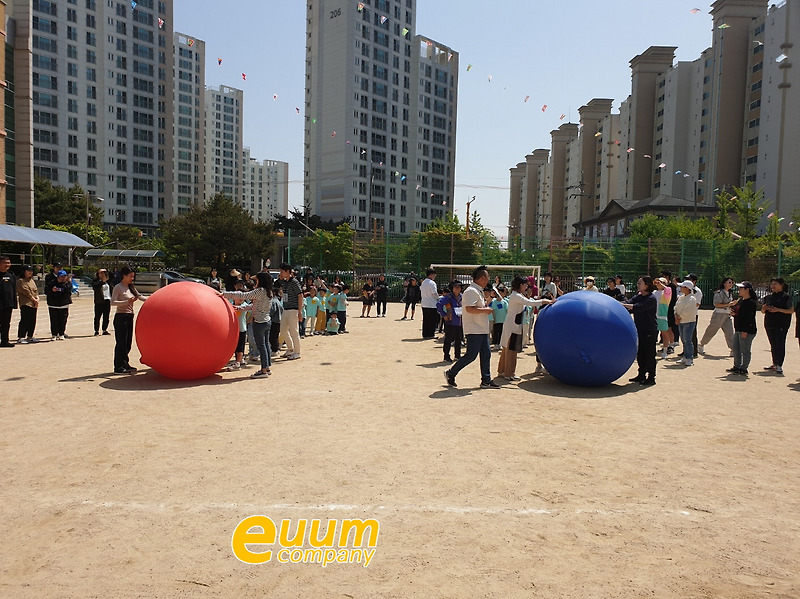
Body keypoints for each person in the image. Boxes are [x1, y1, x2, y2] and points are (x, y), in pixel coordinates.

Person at [444, 266, 500, 388]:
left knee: (486, 354)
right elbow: (469, 308)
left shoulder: (477, 290)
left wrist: (489, 300)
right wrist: (485, 310)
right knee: (471, 355)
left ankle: (486, 379)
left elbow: (480, 305)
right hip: (474, 329)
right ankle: (451, 373)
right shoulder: (471, 291)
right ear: (482, 278)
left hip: (481, 328)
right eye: (487, 278)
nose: (488, 280)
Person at [498, 276, 552, 381]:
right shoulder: (516, 296)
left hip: (515, 325)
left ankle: (503, 371)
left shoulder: (518, 295)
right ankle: (508, 373)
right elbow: (530, 303)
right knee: (510, 350)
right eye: (525, 285)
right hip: (512, 326)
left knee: (509, 349)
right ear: (521, 285)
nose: (527, 286)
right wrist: (544, 301)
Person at [222, 272, 273, 378]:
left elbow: (243, 295)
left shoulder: (259, 291)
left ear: (260, 281)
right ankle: (267, 368)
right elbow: (255, 305)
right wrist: (241, 308)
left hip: (259, 322)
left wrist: (225, 294)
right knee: (266, 345)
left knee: (261, 346)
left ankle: (263, 370)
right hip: (267, 321)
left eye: (257, 280)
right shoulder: (269, 292)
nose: (255, 282)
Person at [622, 276, 658, 385]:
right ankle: (641, 374)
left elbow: (638, 307)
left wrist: (624, 304)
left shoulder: (651, 298)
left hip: (649, 330)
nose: (638, 284)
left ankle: (651, 377)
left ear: (647, 285)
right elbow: (629, 303)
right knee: (641, 353)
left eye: (640, 283)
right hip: (639, 329)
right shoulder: (639, 296)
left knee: (649, 354)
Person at [110, 266, 146, 373]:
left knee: (127, 343)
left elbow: (140, 297)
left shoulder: (131, 287)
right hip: (121, 317)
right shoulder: (118, 287)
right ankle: (118, 366)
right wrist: (127, 302)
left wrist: (154, 298)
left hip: (130, 316)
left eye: (133, 277)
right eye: (130, 276)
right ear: (124, 276)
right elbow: (112, 302)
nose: (132, 279)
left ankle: (125, 363)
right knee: (121, 343)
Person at [761, 277, 794, 374]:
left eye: (775, 284)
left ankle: (779, 365)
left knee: (780, 344)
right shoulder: (769, 297)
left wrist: (778, 309)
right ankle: (774, 363)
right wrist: (764, 308)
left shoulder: (786, 297)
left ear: (781, 285)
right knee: (773, 344)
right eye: (772, 284)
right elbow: (763, 311)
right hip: (769, 323)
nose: (773, 286)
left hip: (781, 324)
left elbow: (791, 310)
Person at [698, 277, 737, 355]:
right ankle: (701, 344)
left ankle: (733, 349)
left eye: (732, 283)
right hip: (719, 314)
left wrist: (731, 308)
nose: (731, 284)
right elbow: (716, 304)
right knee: (712, 330)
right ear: (724, 283)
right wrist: (728, 304)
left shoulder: (729, 293)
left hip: (727, 314)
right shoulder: (719, 292)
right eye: (729, 282)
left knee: (730, 332)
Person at [728, 281, 758, 375]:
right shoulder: (741, 301)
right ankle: (737, 366)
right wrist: (734, 314)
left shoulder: (751, 303)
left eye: (741, 288)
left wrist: (745, 330)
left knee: (745, 350)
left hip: (746, 330)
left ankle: (744, 368)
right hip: (738, 328)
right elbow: (740, 314)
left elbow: (750, 318)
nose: (739, 290)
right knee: (736, 348)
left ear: (747, 290)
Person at [278, 262, 303, 360]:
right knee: (283, 330)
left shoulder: (294, 282)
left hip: (293, 309)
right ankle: (290, 348)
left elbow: (300, 295)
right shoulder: (284, 282)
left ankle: (297, 352)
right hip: (286, 308)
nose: (280, 273)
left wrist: (300, 311)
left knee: (294, 331)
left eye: (282, 271)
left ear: (287, 271)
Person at [436, 280, 463, 363]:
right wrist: (444, 315)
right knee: (448, 339)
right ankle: (446, 356)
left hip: (459, 321)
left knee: (458, 340)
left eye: (459, 287)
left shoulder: (462, 297)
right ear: (452, 288)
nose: (458, 289)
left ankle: (457, 356)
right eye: (456, 287)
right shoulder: (448, 297)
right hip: (450, 321)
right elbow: (439, 305)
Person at [674, 280, 699, 366]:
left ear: (687, 288)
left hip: (688, 322)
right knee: (684, 340)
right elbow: (676, 307)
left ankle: (690, 358)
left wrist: (679, 317)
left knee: (688, 340)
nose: (680, 288)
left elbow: (687, 311)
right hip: (681, 321)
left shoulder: (691, 299)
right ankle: (685, 356)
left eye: (682, 287)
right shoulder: (681, 297)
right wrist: (676, 315)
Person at [46, 270, 72, 341]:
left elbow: (67, 290)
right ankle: (54, 334)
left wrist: (61, 287)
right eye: (61, 277)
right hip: (53, 305)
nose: (63, 278)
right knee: (54, 320)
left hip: (64, 304)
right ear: (58, 277)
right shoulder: (52, 283)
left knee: (63, 320)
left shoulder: (68, 283)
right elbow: (47, 291)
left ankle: (61, 334)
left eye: (65, 276)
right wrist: (52, 290)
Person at [16, 265, 39, 344]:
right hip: (26, 303)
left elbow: (36, 291)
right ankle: (21, 337)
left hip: (34, 303)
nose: (30, 272)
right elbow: (26, 292)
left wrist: (37, 299)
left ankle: (30, 336)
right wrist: (34, 299)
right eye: (28, 271)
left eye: (31, 271)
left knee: (33, 320)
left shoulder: (31, 280)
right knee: (25, 320)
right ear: (24, 272)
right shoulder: (20, 281)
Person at [653, 277, 673, 359]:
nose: (659, 283)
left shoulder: (666, 292)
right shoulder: (654, 292)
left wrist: (662, 285)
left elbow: (668, 290)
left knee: (664, 333)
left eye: (662, 282)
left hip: (662, 315)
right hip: (653, 315)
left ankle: (665, 350)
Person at [0, 255, 18, 347]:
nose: (7, 265)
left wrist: (14, 303)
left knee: (6, 323)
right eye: (5, 263)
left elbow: (14, 291)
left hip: (8, 304)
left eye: (8, 263)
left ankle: (4, 341)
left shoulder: (11, 275)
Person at [92, 269, 113, 336]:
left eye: (104, 273)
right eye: (101, 273)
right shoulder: (95, 281)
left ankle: (104, 329)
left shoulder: (108, 281)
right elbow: (95, 287)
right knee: (97, 317)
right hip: (99, 301)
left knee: (106, 316)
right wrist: (101, 281)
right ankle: (96, 330)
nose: (103, 274)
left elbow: (113, 275)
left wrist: (107, 270)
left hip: (107, 300)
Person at [420, 268, 439, 339]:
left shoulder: (423, 282)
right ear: (431, 275)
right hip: (431, 304)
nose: (434, 277)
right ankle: (431, 334)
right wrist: (438, 298)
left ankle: (425, 334)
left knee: (426, 320)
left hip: (424, 304)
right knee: (432, 320)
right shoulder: (432, 283)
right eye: (434, 275)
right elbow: (434, 293)